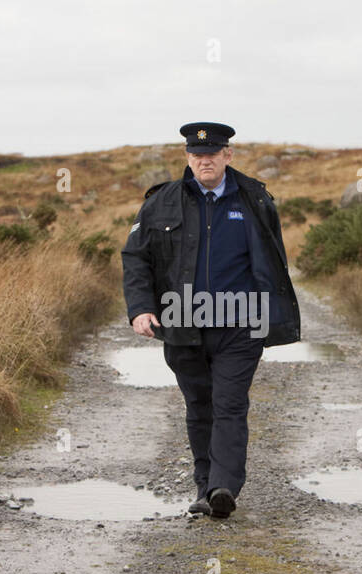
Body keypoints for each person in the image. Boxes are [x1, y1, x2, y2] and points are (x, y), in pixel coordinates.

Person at [121, 122, 300, 519]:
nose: (206, 160)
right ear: (188, 157)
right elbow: (136, 258)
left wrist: (272, 313)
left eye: (213, 154)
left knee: (229, 404)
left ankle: (224, 486)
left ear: (228, 156)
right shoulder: (161, 201)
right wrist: (141, 308)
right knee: (200, 405)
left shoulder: (253, 198)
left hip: (240, 325)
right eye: (198, 155)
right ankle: (205, 487)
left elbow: (272, 258)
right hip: (183, 323)